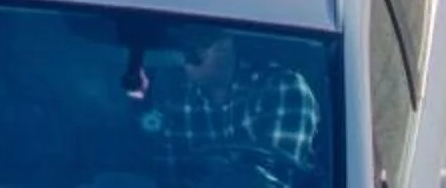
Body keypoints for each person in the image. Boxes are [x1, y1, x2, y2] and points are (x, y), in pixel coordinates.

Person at [139, 28, 325, 187]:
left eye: (202, 41)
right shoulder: (175, 98)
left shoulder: (281, 89)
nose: (191, 53)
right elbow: (168, 179)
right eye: (184, 43)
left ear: (228, 42)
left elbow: (275, 180)